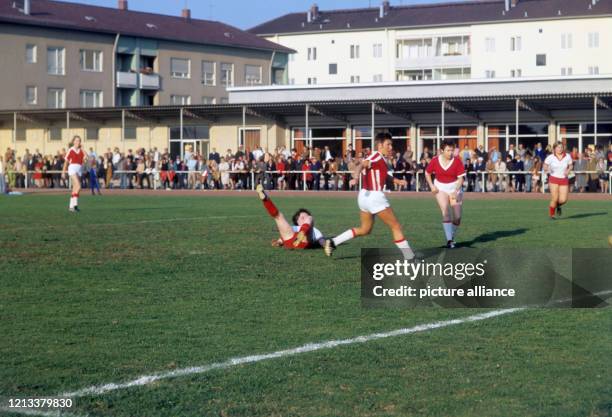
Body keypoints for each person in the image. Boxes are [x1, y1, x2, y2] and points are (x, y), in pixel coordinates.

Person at [324, 133, 415, 260]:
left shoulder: (380, 158)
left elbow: (383, 175)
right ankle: (410, 257)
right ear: (380, 145)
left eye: (391, 145)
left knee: (365, 229)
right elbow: (361, 165)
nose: (390, 148)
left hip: (364, 197)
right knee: (396, 226)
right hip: (374, 196)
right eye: (388, 145)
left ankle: (333, 242)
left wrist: (397, 181)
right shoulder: (376, 156)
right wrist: (355, 177)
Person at [256, 184, 325, 250]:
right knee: (278, 216)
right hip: (292, 241)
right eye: (301, 218)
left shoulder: (314, 230)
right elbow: (283, 237)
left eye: (304, 217)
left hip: (303, 241)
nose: (304, 218)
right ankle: (265, 198)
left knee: (310, 218)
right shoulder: (294, 228)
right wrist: (278, 242)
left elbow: (321, 240)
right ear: (297, 222)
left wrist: (325, 245)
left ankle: (302, 233)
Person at [425, 139, 466, 248]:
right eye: (448, 150)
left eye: (452, 150)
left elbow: (461, 179)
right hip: (440, 188)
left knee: (457, 217)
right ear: (442, 150)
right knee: (445, 212)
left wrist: (455, 191)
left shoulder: (457, 161)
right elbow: (427, 173)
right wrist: (431, 186)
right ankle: (449, 241)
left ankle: (451, 236)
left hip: (455, 187)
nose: (450, 153)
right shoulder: (435, 160)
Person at [543, 142, 572, 219]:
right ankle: (551, 215)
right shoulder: (550, 157)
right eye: (558, 147)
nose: (560, 149)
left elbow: (571, 165)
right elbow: (545, 165)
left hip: (563, 179)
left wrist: (568, 170)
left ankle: (558, 205)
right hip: (553, 179)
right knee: (554, 198)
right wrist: (546, 169)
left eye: (561, 147)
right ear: (554, 148)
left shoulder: (568, 156)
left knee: (563, 200)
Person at [62, 136, 88, 212]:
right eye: (76, 140)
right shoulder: (71, 150)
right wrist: (63, 172)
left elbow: (87, 158)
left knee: (75, 189)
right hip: (72, 168)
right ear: (73, 141)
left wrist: (83, 149)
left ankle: (71, 207)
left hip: (79, 169)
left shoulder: (81, 150)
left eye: (79, 141)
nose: (78, 142)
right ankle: (75, 206)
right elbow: (66, 162)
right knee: (78, 186)